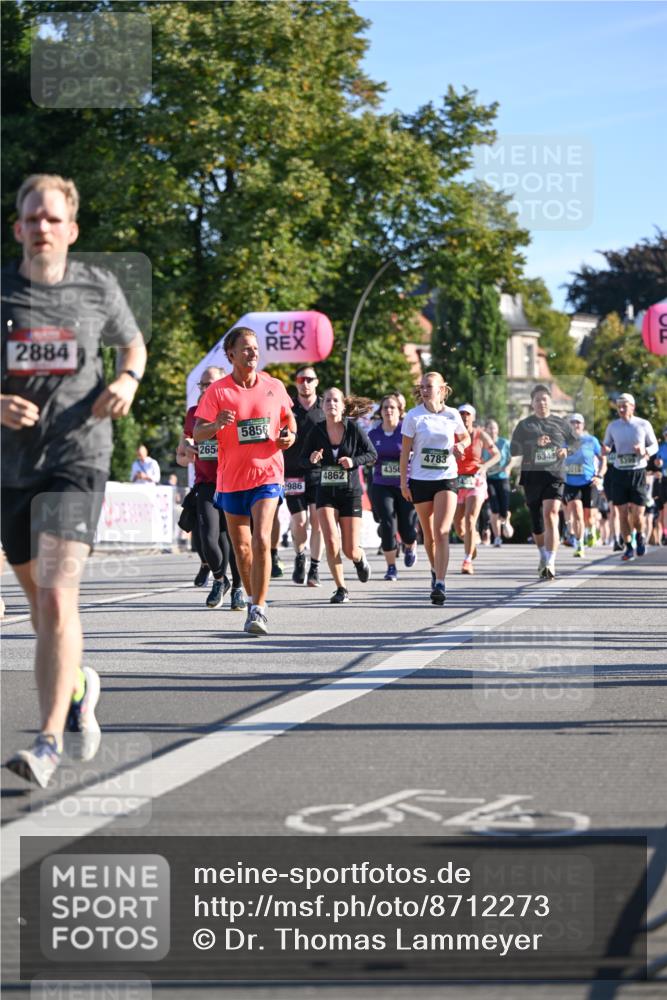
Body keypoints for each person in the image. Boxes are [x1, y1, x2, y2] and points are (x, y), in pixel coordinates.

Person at [1, 173, 147, 786]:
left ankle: (48, 741)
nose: (41, 228)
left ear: (71, 230)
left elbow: (132, 344)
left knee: (60, 597)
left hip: (78, 457)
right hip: (11, 467)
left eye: (52, 219)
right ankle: (82, 684)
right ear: (17, 228)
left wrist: (127, 381)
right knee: (42, 614)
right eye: (31, 218)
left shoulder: (97, 286)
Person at [193, 327, 296, 635]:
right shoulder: (218, 391)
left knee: (262, 539)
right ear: (232, 355)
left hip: (267, 474)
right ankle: (251, 599)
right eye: (246, 349)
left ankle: (259, 609)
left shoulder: (274, 386)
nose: (253, 353)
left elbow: (289, 419)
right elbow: (197, 433)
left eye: (255, 348)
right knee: (242, 548)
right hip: (231, 480)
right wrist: (215, 424)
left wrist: (289, 436)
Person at [300, 388, 377, 604]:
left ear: (343, 406)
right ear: (322, 406)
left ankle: (360, 559)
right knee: (331, 541)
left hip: (350, 492)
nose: (331, 403)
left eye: (335, 400)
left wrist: (354, 462)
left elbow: (372, 453)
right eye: (327, 400)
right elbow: (302, 460)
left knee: (349, 548)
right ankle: (341, 588)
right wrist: (312, 459)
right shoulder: (316, 430)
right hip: (325, 491)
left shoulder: (353, 429)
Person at [177, 366, 244, 610]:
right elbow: (181, 456)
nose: (207, 388)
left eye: (211, 383)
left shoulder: (233, 409)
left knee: (234, 540)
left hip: (233, 481)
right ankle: (219, 579)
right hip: (205, 484)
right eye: (203, 385)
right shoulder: (194, 413)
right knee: (206, 538)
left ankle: (238, 588)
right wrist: (188, 449)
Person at [400, 372, 470, 605]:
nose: (425, 390)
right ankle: (434, 568)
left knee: (441, 532)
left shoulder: (452, 415)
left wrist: (460, 444)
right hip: (420, 479)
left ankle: (440, 582)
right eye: (422, 387)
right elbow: (404, 453)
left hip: (446, 478)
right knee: (428, 536)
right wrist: (404, 481)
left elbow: (466, 438)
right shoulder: (413, 416)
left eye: (430, 386)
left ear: (442, 389)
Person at [510, 384, 576, 580]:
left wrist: (567, 451)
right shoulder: (524, 425)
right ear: (532, 403)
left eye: (545, 399)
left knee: (551, 513)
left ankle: (551, 562)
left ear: (550, 402)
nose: (541, 403)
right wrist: (533, 444)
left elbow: (575, 442)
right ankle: (542, 555)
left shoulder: (561, 423)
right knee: (537, 522)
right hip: (532, 477)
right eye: (537, 399)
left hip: (555, 475)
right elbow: (514, 450)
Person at [282, 365, 325, 586]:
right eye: (301, 379)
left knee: (317, 523)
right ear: (296, 383)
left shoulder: (324, 407)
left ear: (316, 382)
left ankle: (315, 567)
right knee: (299, 522)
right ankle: (300, 557)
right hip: (293, 473)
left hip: (319, 473)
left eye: (309, 379)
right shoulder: (288, 407)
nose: (305, 383)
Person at [368, 393, 418, 580]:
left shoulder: (406, 432)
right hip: (381, 484)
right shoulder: (374, 434)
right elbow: (367, 456)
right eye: (385, 407)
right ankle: (391, 567)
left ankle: (410, 544)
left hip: (404, 485)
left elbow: (417, 453)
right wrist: (369, 460)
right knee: (387, 523)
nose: (388, 410)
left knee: (407, 529)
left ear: (400, 411)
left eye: (392, 407)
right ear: (380, 412)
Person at [602, 393, 658, 562]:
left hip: (638, 472)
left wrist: (645, 451)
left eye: (624, 405)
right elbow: (607, 444)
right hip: (619, 472)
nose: (621, 409)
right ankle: (628, 546)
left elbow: (654, 444)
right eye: (619, 406)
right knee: (622, 512)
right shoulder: (613, 426)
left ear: (632, 407)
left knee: (638, 514)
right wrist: (604, 449)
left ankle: (639, 536)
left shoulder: (643, 424)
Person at [453, 405, 499, 575]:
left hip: (475, 480)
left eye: (467, 414)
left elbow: (497, 454)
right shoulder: (452, 433)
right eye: (461, 414)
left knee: (470, 519)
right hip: (457, 481)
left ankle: (467, 560)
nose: (464, 417)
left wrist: (484, 466)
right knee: (458, 527)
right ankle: (471, 544)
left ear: (473, 417)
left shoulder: (480, 434)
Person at [563, 413, 606, 558]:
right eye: (572, 423)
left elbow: (603, 459)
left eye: (578, 423)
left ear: (583, 425)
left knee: (589, 517)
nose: (575, 425)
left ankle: (592, 529)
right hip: (571, 483)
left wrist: (599, 476)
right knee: (577, 513)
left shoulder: (591, 440)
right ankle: (579, 544)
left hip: (589, 482)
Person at [483, 419, 514, 546]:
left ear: (498, 430)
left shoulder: (504, 443)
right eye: (489, 428)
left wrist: (508, 467)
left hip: (502, 477)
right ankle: (497, 537)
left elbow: (513, 459)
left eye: (494, 428)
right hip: (489, 478)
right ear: (485, 430)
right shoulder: (482, 444)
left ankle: (506, 519)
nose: (492, 430)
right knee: (494, 509)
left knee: (504, 508)